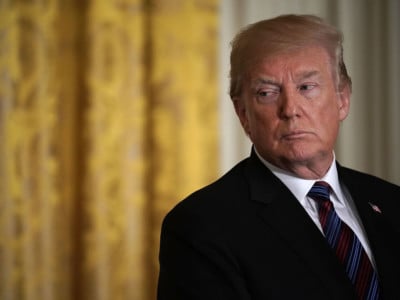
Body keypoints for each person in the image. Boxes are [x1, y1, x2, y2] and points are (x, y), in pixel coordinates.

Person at [157, 14, 400, 300]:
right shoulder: (201, 226)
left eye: (306, 87)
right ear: (243, 114)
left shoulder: (391, 202)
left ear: (342, 99)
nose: (290, 109)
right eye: (267, 92)